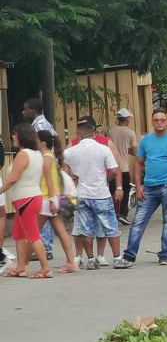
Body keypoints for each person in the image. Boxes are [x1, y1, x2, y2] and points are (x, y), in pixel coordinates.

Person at [115, 109, 167, 268]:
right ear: (152, 122)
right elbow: (139, 163)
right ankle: (129, 256)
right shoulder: (146, 140)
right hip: (149, 188)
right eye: (156, 120)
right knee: (138, 221)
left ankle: (165, 255)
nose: (159, 123)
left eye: (162, 120)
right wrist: (139, 186)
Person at [0, 124, 58, 278]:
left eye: (15, 134)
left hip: (26, 199)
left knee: (32, 235)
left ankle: (45, 268)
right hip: (32, 197)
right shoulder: (37, 154)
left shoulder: (23, 155)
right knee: (18, 233)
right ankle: (20, 267)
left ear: (21, 137)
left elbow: (13, 178)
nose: (13, 137)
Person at [63, 118, 120, 271]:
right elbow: (114, 170)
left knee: (85, 228)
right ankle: (117, 258)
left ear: (79, 135)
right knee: (110, 226)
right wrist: (105, 179)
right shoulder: (103, 149)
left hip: (81, 194)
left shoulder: (70, 151)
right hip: (101, 194)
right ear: (93, 133)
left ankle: (90, 259)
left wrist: (73, 176)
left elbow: (62, 169)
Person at [36, 130, 79, 273]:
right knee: (61, 232)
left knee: (32, 234)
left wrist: (52, 201)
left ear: (42, 143)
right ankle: (71, 262)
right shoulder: (51, 158)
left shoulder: (46, 159)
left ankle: (22, 264)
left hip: (47, 201)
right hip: (52, 201)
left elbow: (49, 182)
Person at [107, 108, 138, 224]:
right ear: (127, 120)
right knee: (124, 190)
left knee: (111, 190)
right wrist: (126, 150)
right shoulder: (130, 133)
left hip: (111, 167)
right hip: (123, 167)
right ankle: (123, 214)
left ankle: (112, 213)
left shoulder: (110, 131)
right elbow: (135, 152)